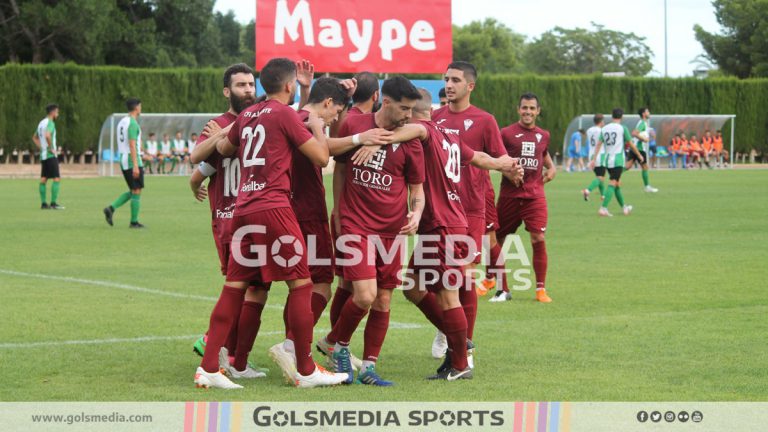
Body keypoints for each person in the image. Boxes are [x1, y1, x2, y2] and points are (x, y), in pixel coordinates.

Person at [198, 57, 347, 389]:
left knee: (234, 287)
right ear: (290, 86)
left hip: (243, 209)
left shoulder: (249, 114)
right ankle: (305, 370)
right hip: (274, 206)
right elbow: (322, 158)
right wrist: (319, 126)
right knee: (301, 285)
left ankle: (209, 366)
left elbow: (223, 147)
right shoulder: (283, 114)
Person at [386, 88, 522, 380]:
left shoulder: (422, 128)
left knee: (449, 296)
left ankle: (460, 362)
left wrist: (367, 139)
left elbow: (398, 135)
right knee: (412, 286)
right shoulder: (449, 135)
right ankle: (459, 340)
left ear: (415, 112)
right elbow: (481, 158)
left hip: (442, 225)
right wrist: (505, 164)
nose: (403, 118)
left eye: (406, 111)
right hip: (445, 223)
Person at [278, 75, 394, 384]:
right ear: (328, 104)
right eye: (334, 112)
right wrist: (360, 139)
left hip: (292, 213)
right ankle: (292, 346)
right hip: (305, 215)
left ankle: (298, 346)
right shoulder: (304, 120)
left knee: (301, 285)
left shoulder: (295, 116)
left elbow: (324, 128)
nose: (333, 121)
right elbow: (325, 148)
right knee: (321, 285)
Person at [317, 76, 425, 386]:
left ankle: (367, 366)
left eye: (412, 110)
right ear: (385, 101)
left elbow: (416, 188)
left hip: (391, 232)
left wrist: (416, 211)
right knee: (364, 295)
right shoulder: (354, 124)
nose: (408, 115)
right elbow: (339, 167)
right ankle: (338, 344)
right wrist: (338, 211)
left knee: (383, 301)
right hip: (356, 224)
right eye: (404, 109)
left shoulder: (410, 140)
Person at [188, 63, 269, 382]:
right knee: (245, 288)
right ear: (227, 91)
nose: (248, 90)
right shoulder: (218, 124)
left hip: (258, 216)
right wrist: (223, 133)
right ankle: (217, 347)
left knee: (257, 289)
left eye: (251, 84)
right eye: (240, 85)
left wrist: (194, 183)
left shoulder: (261, 120)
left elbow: (201, 173)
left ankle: (234, 358)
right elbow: (200, 159)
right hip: (230, 219)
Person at [432, 61, 507, 359]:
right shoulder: (435, 118)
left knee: (464, 276)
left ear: (470, 86)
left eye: (455, 80)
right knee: (431, 277)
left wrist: (512, 169)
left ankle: (465, 344)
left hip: (471, 208)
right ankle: (448, 326)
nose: (449, 85)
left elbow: (499, 158)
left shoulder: (485, 120)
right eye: (446, 79)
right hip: (439, 208)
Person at [324, 70, 382, 372]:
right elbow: (338, 161)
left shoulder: (346, 121)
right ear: (377, 96)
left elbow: (339, 166)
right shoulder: (363, 125)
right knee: (363, 291)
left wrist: (336, 208)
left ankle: (336, 345)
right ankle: (335, 343)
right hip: (362, 220)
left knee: (347, 282)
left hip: (347, 215)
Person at [497, 93, 556, 303]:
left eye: (532, 108)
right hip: (509, 196)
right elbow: (497, 159)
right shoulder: (506, 134)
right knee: (496, 239)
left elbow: (544, 154)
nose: (528, 112)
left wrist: (551, 168)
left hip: (534, 196)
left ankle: (540, 289)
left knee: (538, 238)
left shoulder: (544, 135)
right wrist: (508, 173)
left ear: (538, 111)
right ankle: (499, 286)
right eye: (524, 108)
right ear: (518, 109)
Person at [591, 108, 643, 217]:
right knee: (613, 183)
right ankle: (603, 208)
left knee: (617, 184)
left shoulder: (604, 128)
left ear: (612, 116)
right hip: (618, 161)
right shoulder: (622, 128)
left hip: (607, 161)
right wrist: (639, 155)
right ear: (622, 116)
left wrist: (594, 159)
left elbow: (599, 144)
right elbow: (631, 144)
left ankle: (624, 207)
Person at [103, 98, 144, 228]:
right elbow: (132, 144)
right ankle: (134, 222)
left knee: (134, 190)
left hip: (124, 159)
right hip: (132, 160)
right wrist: (136, 166)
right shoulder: (132, 123)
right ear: (136, 107)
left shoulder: (122, 121)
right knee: (136, 190)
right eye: (140, 106)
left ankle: (111, 208)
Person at [33, 103, 63, 210]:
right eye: (57, 112)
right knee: (56, 178)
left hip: (43, 156)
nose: (58, 114)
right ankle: (53, 203)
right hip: (50, 155)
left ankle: (44, 204)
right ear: (53, 112)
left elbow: (35, 137)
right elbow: (47, 135)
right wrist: (50, 148)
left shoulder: (41, 123)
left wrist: (42, 148)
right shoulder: (50, 123)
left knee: (43, 179)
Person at [627, 107, 659, 192]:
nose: (649, 112)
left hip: (635, 147)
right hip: (639, 148)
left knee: (628, 166)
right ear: (643, 114)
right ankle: (647, 187)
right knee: (645, 167)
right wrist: (643, 139)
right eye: (647, 111)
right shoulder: (642, 123)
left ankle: (614, 177)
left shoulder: (643, 123)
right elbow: (634, 133)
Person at [582, 114, 606, 201]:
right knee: (600, 177)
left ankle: (603, 195)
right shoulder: (602, 130)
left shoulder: (589, 130)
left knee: (599, 176)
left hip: (591, 155)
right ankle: (588, 190)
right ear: (601, 121)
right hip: (600, 154)